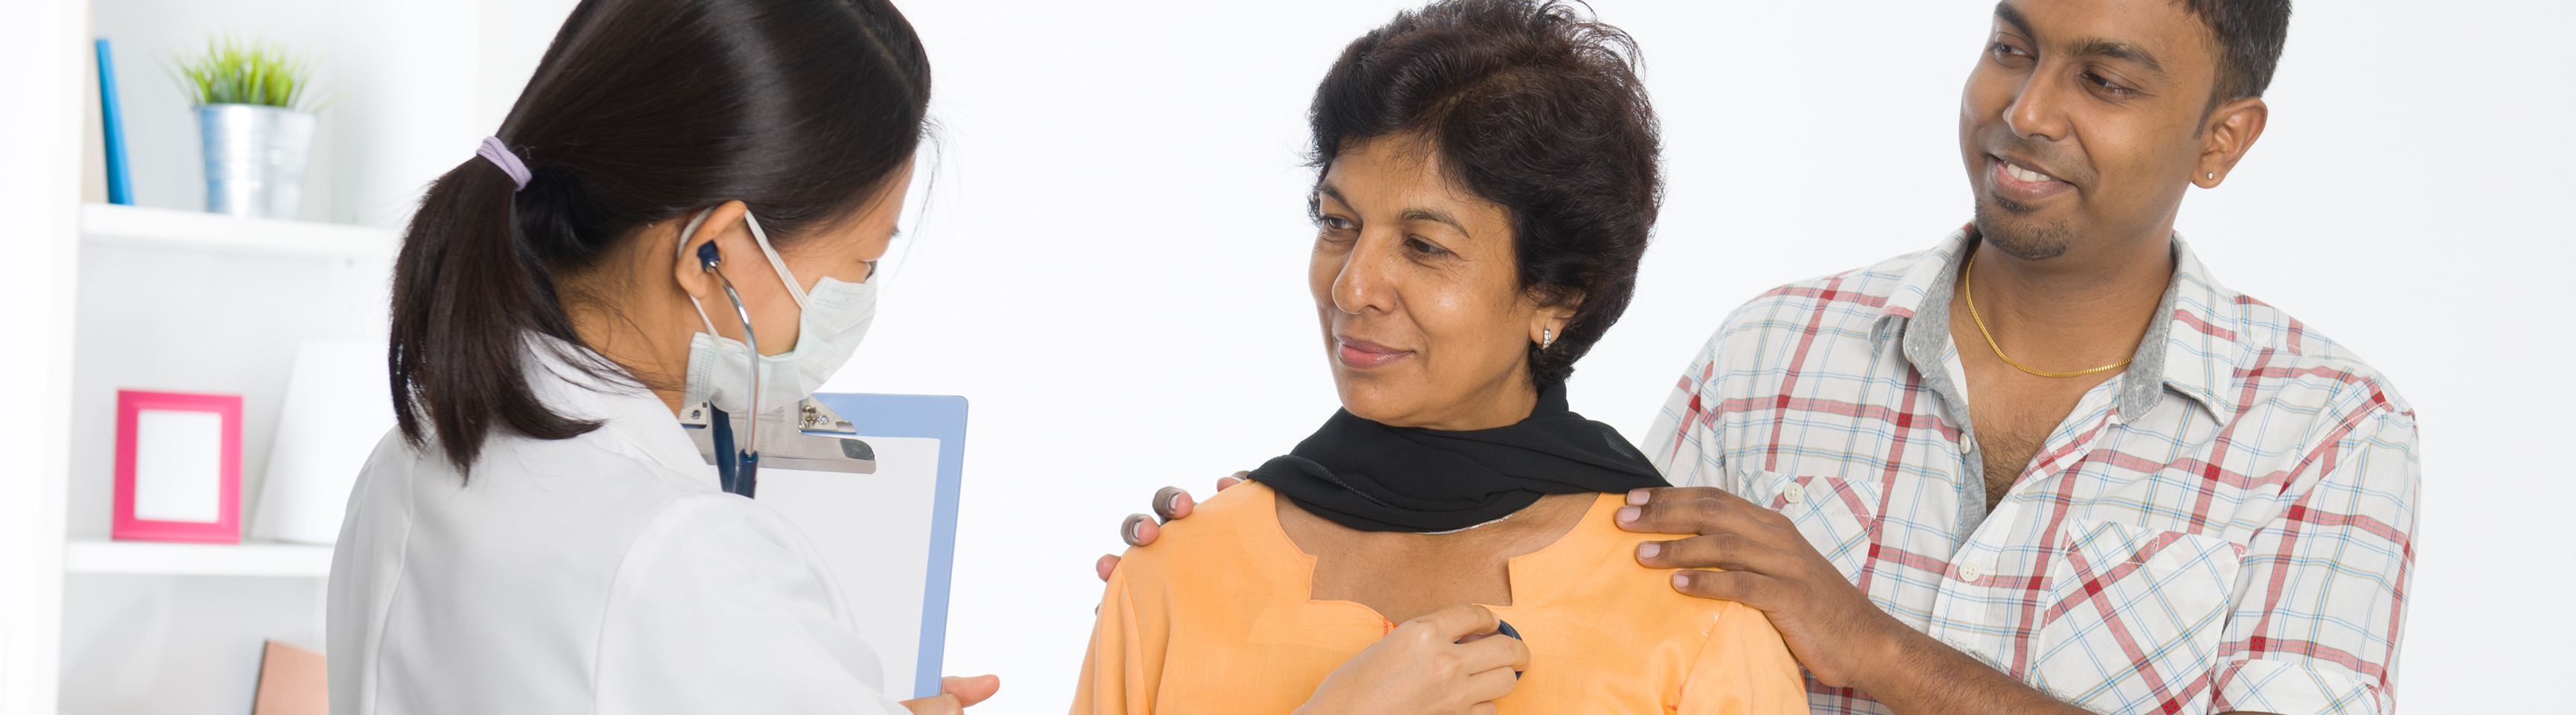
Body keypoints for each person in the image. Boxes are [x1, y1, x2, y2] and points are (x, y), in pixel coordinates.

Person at [1117, 1, 2419, 714]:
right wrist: (1246, 554)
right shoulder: (1774, 357)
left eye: (2107, 80)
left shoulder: (2325, 433)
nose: (2026, 110)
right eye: (2011, 45)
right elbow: (1582, 586)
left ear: (2222, 139)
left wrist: (1869, 645)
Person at [1075, 2, 1803, 714]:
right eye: (1338, 223)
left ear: (1557, 296)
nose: (1351, 286)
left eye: (1424, 246)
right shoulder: (1178, 575)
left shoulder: (1692, 614)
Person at [330, 1, 997, 713]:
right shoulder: (686, 552)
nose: (861, 291)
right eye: (861, 263)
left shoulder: (405, 461)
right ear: (715, 252)